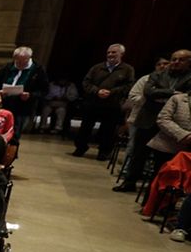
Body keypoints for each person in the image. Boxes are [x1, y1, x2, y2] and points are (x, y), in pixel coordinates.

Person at [117, 50, 191, 192]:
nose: (175, 62)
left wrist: (161, 93)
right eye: (174, 59)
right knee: (138, 154)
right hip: (148, 120)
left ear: (189, 62)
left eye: (181, 60)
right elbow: (149, 92)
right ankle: (129, 182)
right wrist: (172, 93)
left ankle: (155, 190)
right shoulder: (157, 74)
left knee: (163, 160)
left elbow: (186, 97)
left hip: (171, 123)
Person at [72, 44, 134, 159]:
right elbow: (86, 83)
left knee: (108, 130)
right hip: (93, 103)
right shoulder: (97, 67)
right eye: (109, 52)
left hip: (112, 104)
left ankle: (104, 151)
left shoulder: (127, 69)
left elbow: (129, 86)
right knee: (85, 127)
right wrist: (97, 91)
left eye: (114, 52)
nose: (110, 55)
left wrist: (112, 92)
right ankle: (81, 147)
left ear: (121, 54)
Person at [0, 46, 48, 142]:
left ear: (29, 58)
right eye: (17, 61)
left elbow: (44, 90)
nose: (20, 64)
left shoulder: (38, 70)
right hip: (4, 104)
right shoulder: (7, 68)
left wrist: (30, 95)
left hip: (22, 108)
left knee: (14, 134)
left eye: (23, 61)